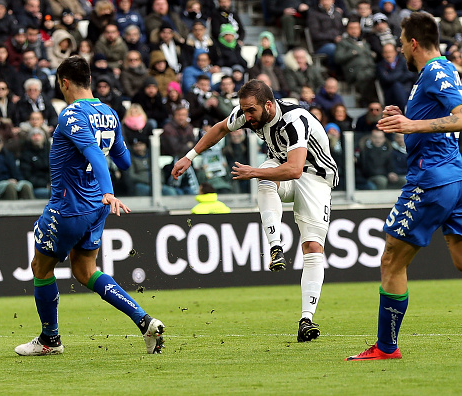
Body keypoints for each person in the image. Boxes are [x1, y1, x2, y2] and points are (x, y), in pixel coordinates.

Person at [14, 56, 164, 356]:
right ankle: (144, 321)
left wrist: (108, 191)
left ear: (64, 83)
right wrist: (104, 189)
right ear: (90, 81)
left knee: (40, 269)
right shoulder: (108, 112)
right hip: (95, 209)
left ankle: (50, 340)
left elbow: (94, 153)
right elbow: (123, 159)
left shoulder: (70, 114)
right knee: (85, 271)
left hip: (69, 207)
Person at [171, 79, 338, 342]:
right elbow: (220, 128)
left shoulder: (295, 121)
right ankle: (276, 248)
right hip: (282, 170)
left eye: (251, 111)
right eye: (244, 111)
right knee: (265, 178)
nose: (247, 118)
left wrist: (253, 171)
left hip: (315, 177)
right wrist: (189, 156)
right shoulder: (249, 113)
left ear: (268, 106)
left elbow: (295, 169)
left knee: (313, 248)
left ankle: (307, 319)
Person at [347, 12, 462, 361]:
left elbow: (460, 117)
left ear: (413, 42)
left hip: (432, 179)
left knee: (391, 261)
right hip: (452, 176)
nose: (399, 48)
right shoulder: (432, 75)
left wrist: (412, 126)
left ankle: (386, 347)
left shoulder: (438, 70)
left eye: (400, 42)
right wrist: (405, 116)